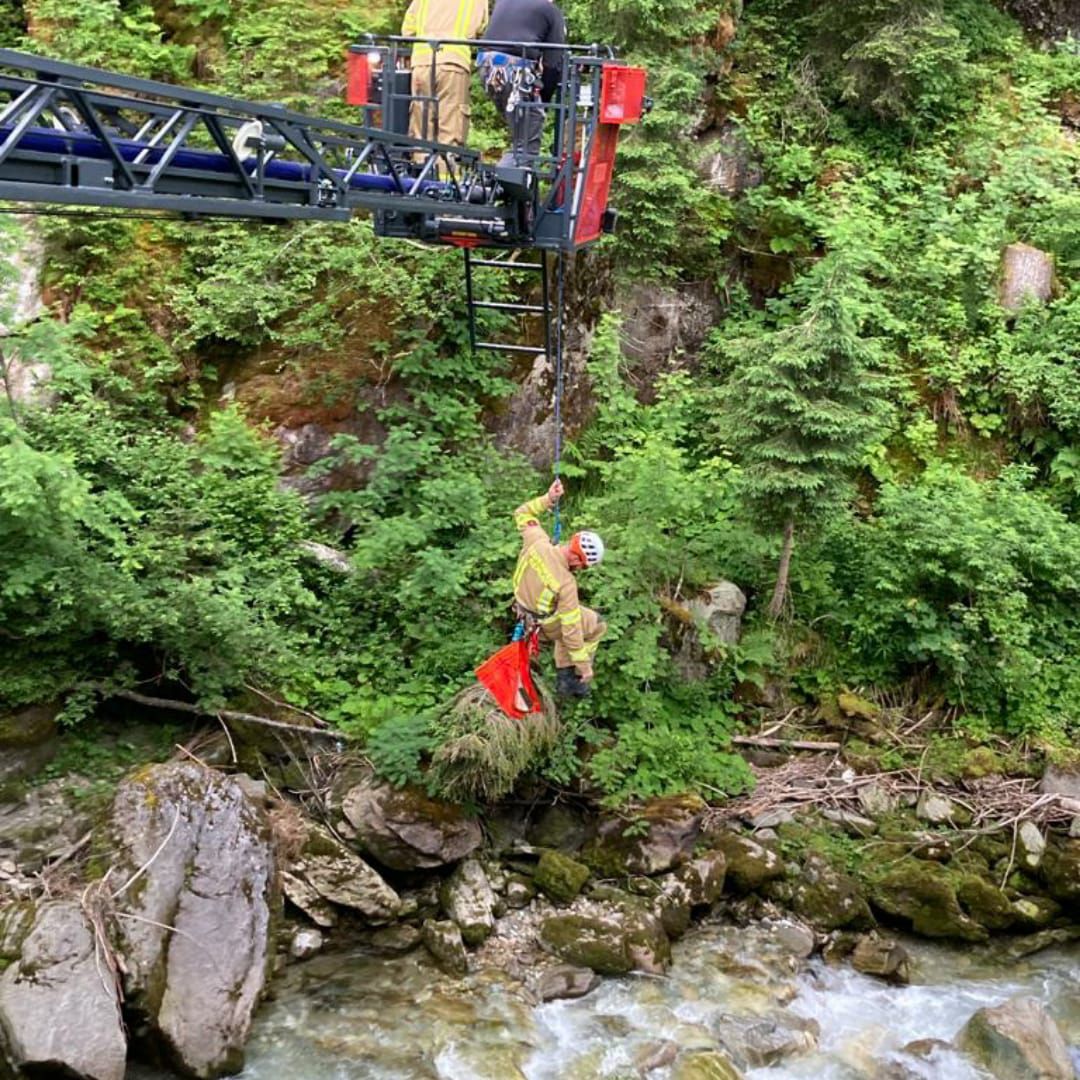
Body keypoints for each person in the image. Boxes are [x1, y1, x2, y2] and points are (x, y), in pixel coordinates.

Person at [512, 478, 605, 697]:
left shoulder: (537, 541)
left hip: (519, 609)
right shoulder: (566, 584)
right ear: (576, 559)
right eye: (583, 566)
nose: (581, 569)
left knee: (572, 618)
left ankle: (567, 674)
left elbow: (522, 513)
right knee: (596, 625)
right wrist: (585, 667)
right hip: (543, 625)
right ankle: (571, 678)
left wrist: (548, 499)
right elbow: (571, 630)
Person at [478, 0, 566, 166]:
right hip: (515, 71)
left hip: (486, 67)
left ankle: (504, 174)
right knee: (526, 147)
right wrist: (543, 101)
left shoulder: (504, 2)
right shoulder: (550, 11)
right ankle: (506, 179)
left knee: (520, 134)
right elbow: (553, 64)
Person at [401, 0, 488, 148]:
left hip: (421, 63)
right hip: (453, 63)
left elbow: (407, 31)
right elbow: (480, 29)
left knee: (422, 130)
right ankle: (445, 163)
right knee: (450, 126)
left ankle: (421, 161)